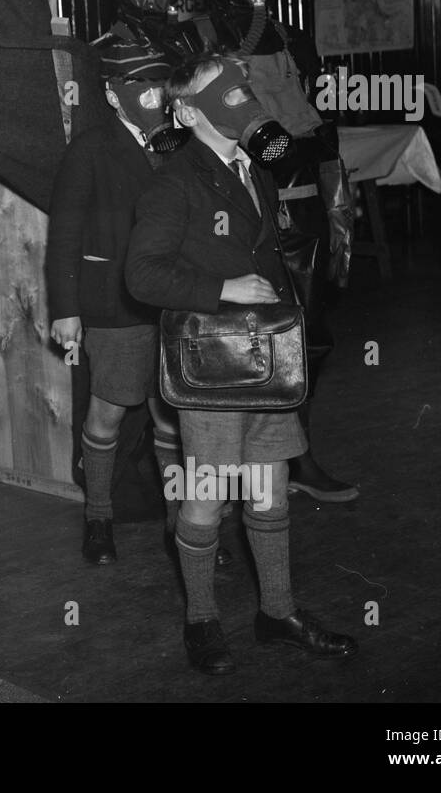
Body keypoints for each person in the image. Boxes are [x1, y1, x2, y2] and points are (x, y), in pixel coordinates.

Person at [126, 52, 358, 675]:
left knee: (272, 493)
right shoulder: (172, 179)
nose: (240, 94)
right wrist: (224, 290)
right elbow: (142, 274)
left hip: (267, 360)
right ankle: (201, 620)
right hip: (213, 367)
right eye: (218, 88)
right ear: (184, 110)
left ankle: (275, 612)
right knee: (205, 499)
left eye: (240, 83)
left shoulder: (255, 168)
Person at [49, 0, 224, 567]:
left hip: (176, 303)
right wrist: (65, 309)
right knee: (106, 417)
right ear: (118, 91)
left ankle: (186, 528)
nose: (156, 101)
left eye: (162, 90)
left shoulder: (185, 152)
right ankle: (99, 519)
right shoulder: (92, 148)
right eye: (145, 90)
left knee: (174, 425)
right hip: (116, 306)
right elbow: (64, 235)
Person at [192, 0, 359, 504]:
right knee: (250, 339)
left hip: (305, 205)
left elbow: (322, 126)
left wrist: (336, 201)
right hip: (245, 213)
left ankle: (294, 456)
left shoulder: (291, 38)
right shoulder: (201, 37)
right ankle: (250, 464)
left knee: (310, 337)